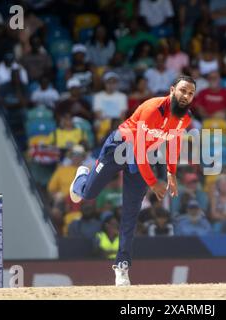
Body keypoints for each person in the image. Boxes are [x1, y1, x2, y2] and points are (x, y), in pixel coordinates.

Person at [69, 75, 196, 286]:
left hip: (142, 158)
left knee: (130, 213)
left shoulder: (185, 118)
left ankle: (122, 267)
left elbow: (173, 142)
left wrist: (171, 173)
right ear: (172, 90)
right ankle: (82, 177)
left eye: (191, 93)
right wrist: (154, 182)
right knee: (87, 194)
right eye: (183, 90)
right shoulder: (152, 108)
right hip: (119, 146)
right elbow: (137, 151)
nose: (186, 96)